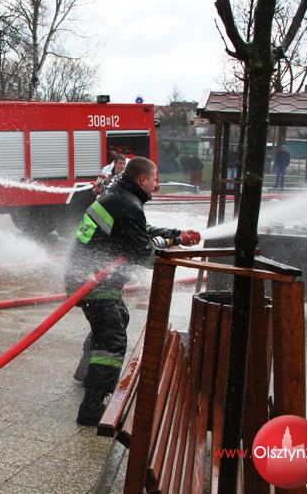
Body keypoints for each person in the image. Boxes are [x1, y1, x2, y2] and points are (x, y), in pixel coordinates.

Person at [65, 156, 201, 426]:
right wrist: (168, 243)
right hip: (92, 281)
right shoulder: (126, 203)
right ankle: (92, 407)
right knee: (112, 339)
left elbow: (141, 231)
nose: (157, 185)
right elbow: (144, 254)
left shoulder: (120, 195)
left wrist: (176, 233)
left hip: (87, 277)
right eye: (155, 179)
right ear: (142, 179)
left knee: (117, 318)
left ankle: (87, 372)